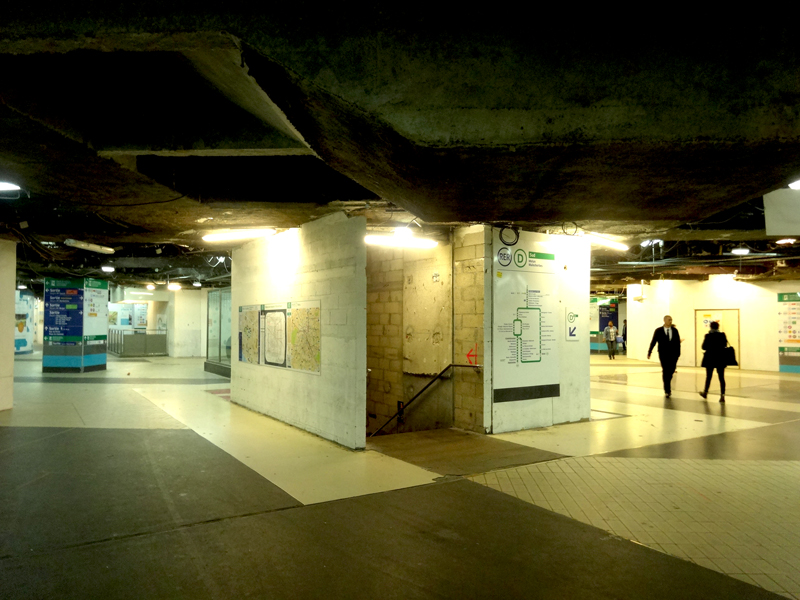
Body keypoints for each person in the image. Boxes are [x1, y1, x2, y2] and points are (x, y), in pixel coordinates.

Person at [647, 315, 681, 398]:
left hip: (673, 354)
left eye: (671, 320)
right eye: (669, 320)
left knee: (672, 370)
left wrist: (678, 353)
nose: (670, 321)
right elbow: (653, 341)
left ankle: (667, 382)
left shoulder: (675, 330)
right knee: (665, 370)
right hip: (663, 354)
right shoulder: (658, 331)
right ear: (664, 320)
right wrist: (649, 351)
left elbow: (677, 343)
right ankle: (667, 389)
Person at [699, 321, 728, 403]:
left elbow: (703, 347)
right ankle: (722, 396)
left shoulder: (708, 336)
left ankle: (705, 392)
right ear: (718, 327)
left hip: (710, 358)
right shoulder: (722, 335)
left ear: (710, 327)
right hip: (720, 358)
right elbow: (725, 345)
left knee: (708, 377)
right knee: (721, 377)